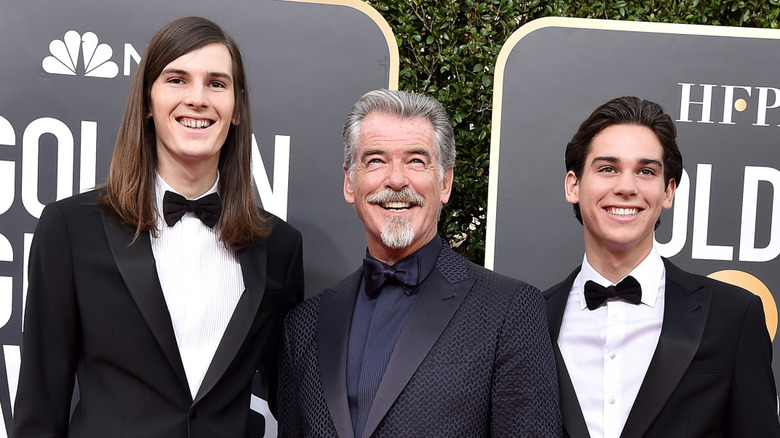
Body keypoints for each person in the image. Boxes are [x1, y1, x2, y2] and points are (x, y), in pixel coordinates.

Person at [12, 16, 303, 438]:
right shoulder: (70, 229)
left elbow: (294, 404)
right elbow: (39, 411)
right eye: (177, 80)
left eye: (217, 84)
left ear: (237, 108)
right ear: (147, 101)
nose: (197, 99)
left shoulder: (279, 246)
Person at [278, 89, 561, 437]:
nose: (396, 180)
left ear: (445, 182)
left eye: (415, 161)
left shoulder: (509, 311)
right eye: (376, 160)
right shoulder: (303, 326)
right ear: (350, 183)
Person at [544, 96, 780, 437]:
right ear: (573, 185)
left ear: (668, 191)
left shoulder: (734, 316)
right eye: (608, 168)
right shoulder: (531, 319)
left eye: (646, 171)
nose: (626, 187)